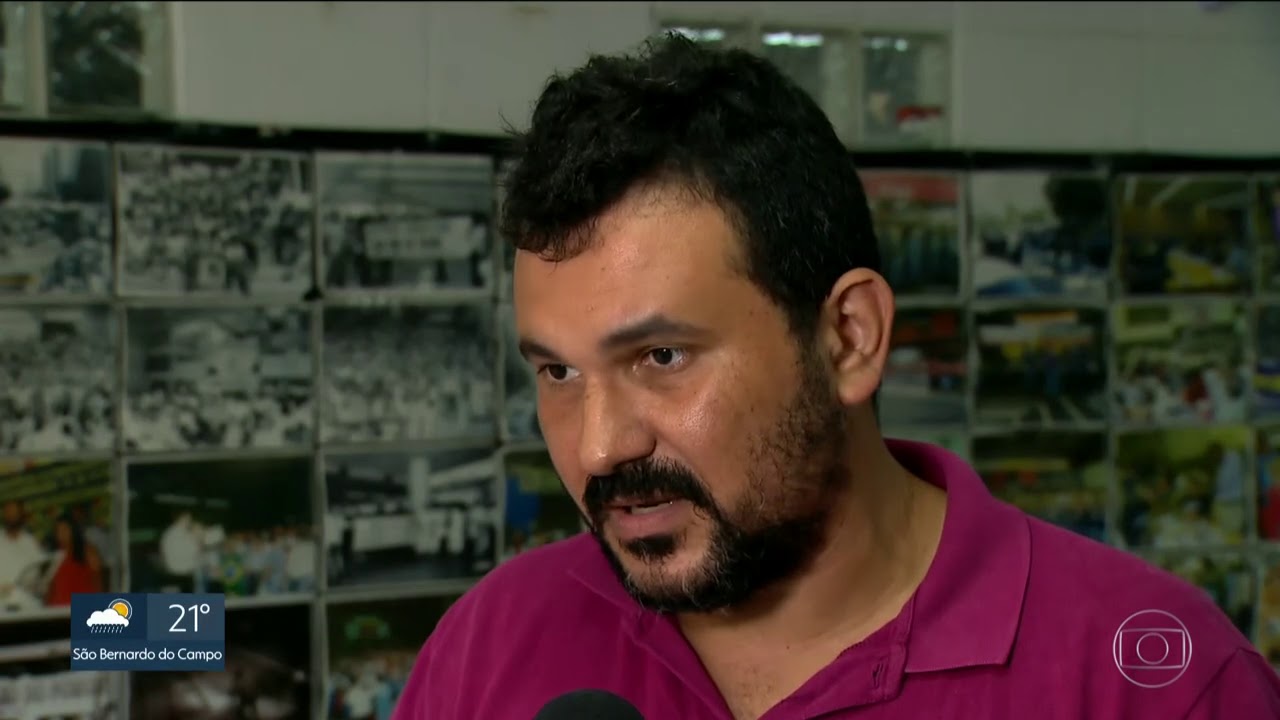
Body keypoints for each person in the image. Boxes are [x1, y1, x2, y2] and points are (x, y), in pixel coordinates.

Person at [391, 34, 1280, 720]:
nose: (598, 447)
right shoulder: (489, 648)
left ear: (850, 338)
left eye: (661, 358)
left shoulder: (1154, 681)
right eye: (556, 370)